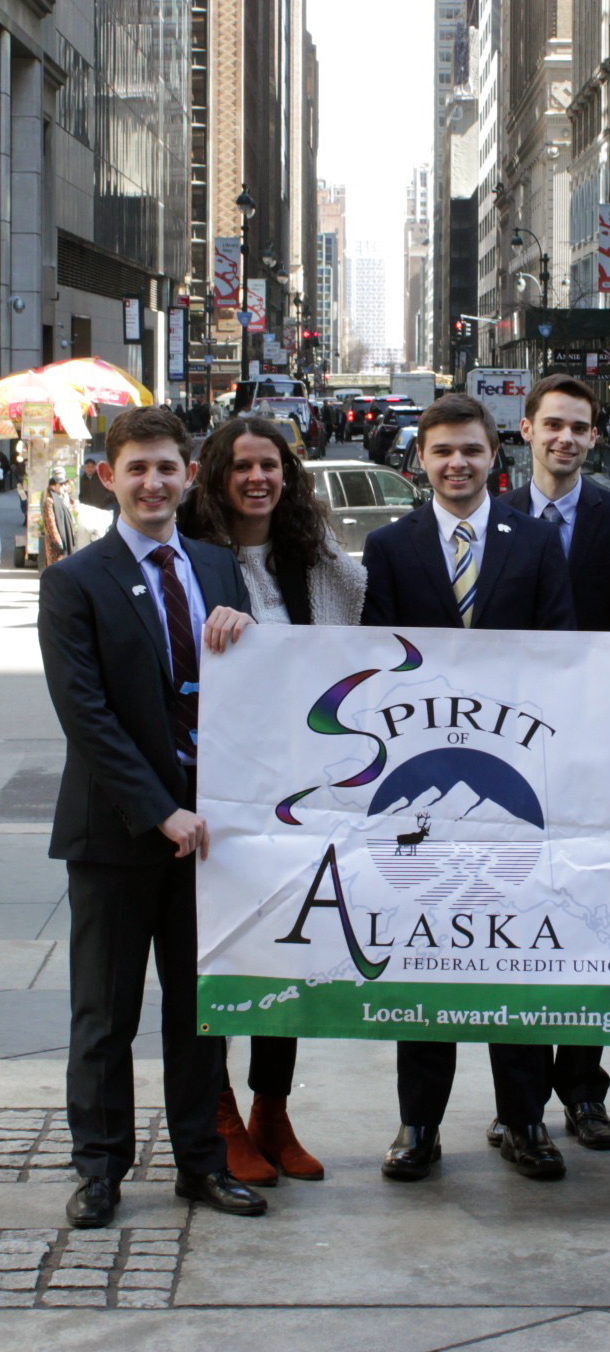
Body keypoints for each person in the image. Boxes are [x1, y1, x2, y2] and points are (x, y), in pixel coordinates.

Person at [37, 407, 266, 1230]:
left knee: (200, 1012)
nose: (153, 483)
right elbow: (86, 715)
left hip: (210, 837)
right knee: (105, 1013)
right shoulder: (75, 580)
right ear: (109, 477)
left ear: (187, 475)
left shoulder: (217, 566)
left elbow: (247, 690)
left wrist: (248, 632)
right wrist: (159, 810)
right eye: (136, 468)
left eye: (167, 467)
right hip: (116, 835)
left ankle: (201, 1163)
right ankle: (99, 1169)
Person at [362, 392, 576, 1182]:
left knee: (515, 955)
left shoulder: (537, 541)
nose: (458, 464)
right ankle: (418, 1126)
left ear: (497, 458)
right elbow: (379, 659)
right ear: (420, 459)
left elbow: (562, 647)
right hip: (419, 779)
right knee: (425, 955)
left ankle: (525, 1121)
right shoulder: (390, 548)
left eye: (472, 451)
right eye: (443, 451)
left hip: (514, 781)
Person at [181, 415, 367, 1185]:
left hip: (297, 791)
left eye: (272, 467)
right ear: (218, 475)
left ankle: (273, 1111)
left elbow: (353, 630)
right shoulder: (190, 560)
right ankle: (221, 1116)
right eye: (243, 466)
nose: (259, 479)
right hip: (215, 791)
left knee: (287, 952)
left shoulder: (313, 558)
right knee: (219, 956)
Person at [501, 374, 610, 1153]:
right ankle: (516, 1101)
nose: (565, 438)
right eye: (552, 425)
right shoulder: (489, 520)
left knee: (592, 921)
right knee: (519, 926)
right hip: (509, 758)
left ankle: (584, 1093)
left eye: (580, 428)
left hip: (595, 753)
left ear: (596, 439)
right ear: (526, 430)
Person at [40, 467, 79, 567]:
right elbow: (51, 524)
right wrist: (58, 543)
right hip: (56, 545)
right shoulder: (49, 500)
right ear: (53, 486)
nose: (63, 486)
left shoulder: (63, 496)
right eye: (61, 484)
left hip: (65, 539)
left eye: (64, 483)